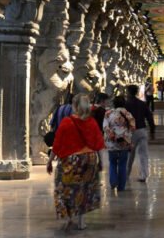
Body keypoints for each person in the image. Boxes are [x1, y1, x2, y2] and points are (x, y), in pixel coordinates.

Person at [47, 94, 105, 231]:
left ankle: (69, 218)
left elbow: (57, 143)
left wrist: (50, 161)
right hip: (89, 158)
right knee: (84, 189)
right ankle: (82, 221)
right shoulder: (91, 122)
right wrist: (102, 162)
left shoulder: (67, 122)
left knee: (64, 188)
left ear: (74, 106)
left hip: (71, 160)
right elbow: (99, 143)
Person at [103, 96, 136, 191]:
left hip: (112, 143)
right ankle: (121, 186)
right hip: (124, 143)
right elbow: (133, 127)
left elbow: (105, 127)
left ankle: (113, 182)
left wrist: (112, 134)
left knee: (112, 163)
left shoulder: (108, 113)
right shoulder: (128, 114)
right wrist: (125, 134)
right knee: (122, 164)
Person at [125, 84, 155, 182]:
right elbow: (150, 117)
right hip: (142, 130)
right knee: (143, 154)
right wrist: (152, 131)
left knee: (130, 154)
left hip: (131, 131)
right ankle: (143, 175)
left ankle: (126, 174)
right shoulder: (142, 104)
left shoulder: (126, 104)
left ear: (128, 92)